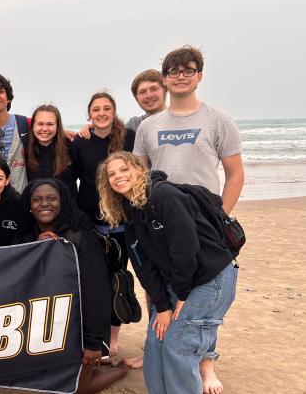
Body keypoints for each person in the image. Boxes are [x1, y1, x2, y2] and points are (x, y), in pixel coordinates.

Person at [133, 46, 244, 393]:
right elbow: (141, 178)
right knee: (164, 305)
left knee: (198, 306)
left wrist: (219, 219)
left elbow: (235, 174)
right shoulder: (150, 126)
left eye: (188, 70)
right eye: (174, 70)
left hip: (204, 226)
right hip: (163, 227)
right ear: (165, 78)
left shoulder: (218, 120)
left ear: (199, 75)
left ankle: (203, 365)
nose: (181, 75)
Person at [96, 151, 237, 394]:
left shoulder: (164, 196)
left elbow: (186, 249)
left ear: (139, 170)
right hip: (178, 280)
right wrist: (161, 305)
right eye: (111, 174)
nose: (118, 176)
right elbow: (142, 265)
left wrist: (181, 295)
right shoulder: (129, 211)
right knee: (155, 341)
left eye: (124, 169)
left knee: (177, 343)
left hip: (209, 277)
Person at [15, 178, 128, 393]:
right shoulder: (26, 235)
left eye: (51, 198)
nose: (44, 204)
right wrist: (35, 248)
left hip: (78, 327)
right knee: (39, 381)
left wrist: (93, 343)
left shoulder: (80, 236)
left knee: (77, 390)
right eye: (37, 200)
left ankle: (120, 370)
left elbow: (96, 292)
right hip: (45, 327)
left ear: (63, 202)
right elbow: (15, 275)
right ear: (29, 206)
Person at [70, 91, 135, 356]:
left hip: (122, 223)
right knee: (94, 282)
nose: (101, 113)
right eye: (96, 109)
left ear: (114, 111)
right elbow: (70, 178)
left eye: (106, 108)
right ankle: (93, 334)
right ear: (89, 114)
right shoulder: (80, 142)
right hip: (91, 224)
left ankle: (113, 337)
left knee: (118, 280)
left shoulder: (127, 138)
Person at [25, 104, 76, 199]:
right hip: (37, 211)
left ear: (57, 127)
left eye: (50, 124)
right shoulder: (25, 148)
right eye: (40, 124)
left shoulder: (71, 147)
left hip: (68, 211)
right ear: (32, 126)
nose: (44, 129)